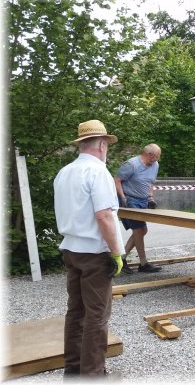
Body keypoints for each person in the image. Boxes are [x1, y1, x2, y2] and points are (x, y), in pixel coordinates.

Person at [53, 119, 124, 377]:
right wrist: (116, 252)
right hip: (95, 253)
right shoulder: (98, 172)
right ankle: (93, 375)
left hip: (71, 250)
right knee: (97, 316)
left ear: (81, 145)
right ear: (103, 145)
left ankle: (73, 370)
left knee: (75, 312)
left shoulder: (65, 172)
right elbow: (104, 216)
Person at [114, 143, 163, 274]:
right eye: (156, 157)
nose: (157, 160)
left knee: (142, 231)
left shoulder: (155, 165)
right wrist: (123, 198)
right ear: (149, 154)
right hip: (130, 200)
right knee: (139, 230)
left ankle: (122, 259)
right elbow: (117, 180)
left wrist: (151, 198)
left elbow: (150, 183)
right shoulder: (131, 165)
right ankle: (143, 263)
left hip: (143, 201)